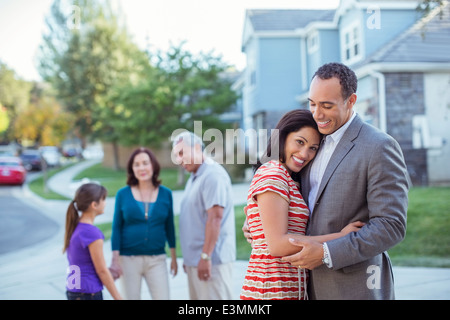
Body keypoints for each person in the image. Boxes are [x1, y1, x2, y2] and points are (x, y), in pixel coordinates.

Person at [281, 62, 409, 299]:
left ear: (351, 101)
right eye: (312, 104)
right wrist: (260, 223)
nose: (317, 114)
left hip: (355, 285)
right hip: (306, 286)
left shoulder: (379, 147)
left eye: (327, 106)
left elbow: (391, 226)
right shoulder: (311, 141)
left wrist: (326, 252)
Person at [240, 109, 364, 300]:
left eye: (313, 148)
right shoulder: (272, 174)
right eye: (300, 142)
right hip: (270, 289)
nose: (304, 154)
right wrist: (341, 237)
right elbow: (278, 246)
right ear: (282, 137)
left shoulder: (289, 178)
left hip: (287, 288)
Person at [171, 131, 236, 300]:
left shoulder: (212, 175)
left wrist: (205, 257)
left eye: (181, 153)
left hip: (212, 261)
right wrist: (190, 258)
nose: (179, 160)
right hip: (196, 260)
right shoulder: (195, 176)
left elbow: (215, 218)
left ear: (197, 148)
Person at [109, 147, 177, 300]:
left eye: (145, 163)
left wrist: (173, 258)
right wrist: (115, 260)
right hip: (128, 260)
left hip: (157, 259)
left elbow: (169, 226)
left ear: (153, 165)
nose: (141, 168)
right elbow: (116, 228)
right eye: (136, 164)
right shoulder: (123, 194)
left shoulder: (166, 194)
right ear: (132, 169)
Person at [63, 183, 122, 300]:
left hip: (74, 291)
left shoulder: (76, 227)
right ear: (94, 205)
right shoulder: (92, 233)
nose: (105, 203)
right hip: (88, 293)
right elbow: (102, 271)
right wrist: (118, 297)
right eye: (103, 199)